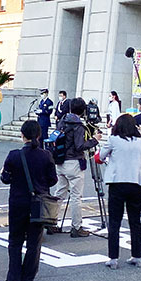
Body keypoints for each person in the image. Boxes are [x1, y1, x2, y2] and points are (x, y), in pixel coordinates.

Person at [1, 120, 57, 281]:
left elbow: (6, 179)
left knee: (15, 240)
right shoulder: (46, 155)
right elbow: (53, 179)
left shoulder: (14, 155)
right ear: (39, 136)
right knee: (34, 241)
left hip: (18, 201)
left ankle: (14, 276)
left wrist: (4, 173)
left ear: (22, 135)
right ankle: (28, 278)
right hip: (38, 204)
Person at [98, 113, 141, 269]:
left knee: (115, 221)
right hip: (136, 183)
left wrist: (111, 161)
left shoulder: (113, 140)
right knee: (135, 221)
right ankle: (137, 255)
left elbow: (101, 156)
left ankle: (113, 258)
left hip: (117, 183)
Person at [51, 97, 101, 238]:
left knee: (59, 193)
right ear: (83, 110)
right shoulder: (78, 126)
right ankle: (76, 227)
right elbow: (80, 146)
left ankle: (51, 222)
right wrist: (94, 140)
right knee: (75, 196)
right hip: (74, 163)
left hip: (60, 161)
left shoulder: (62, 121)